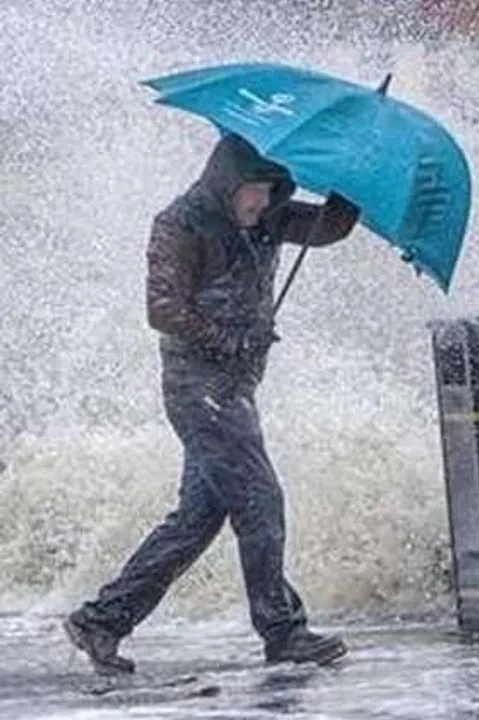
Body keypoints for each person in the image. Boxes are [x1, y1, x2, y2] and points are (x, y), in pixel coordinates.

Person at [64, 133, 360, 675]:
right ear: (227, 182)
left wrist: (352, 185)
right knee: (261, 499)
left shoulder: (268, 216)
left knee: (197, 518)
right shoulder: (179, 224)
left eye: (272, 192)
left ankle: (102, 621)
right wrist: (228, 339)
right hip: (198, 388)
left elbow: (327, 229)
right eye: (254, 191)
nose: (262, 204)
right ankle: (283, 631)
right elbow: (162, 309)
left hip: (235, 389)